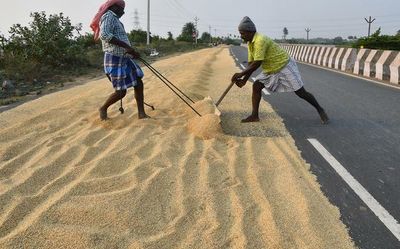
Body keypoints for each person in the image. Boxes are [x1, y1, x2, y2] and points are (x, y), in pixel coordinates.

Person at [231, 16, 329, 124]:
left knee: (300, 92)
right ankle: (254, 116)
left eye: (243, 33)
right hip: (271, 68)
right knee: (257, 86)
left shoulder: (260, 40)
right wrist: (244, 79)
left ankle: (320, 109)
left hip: (284, 65)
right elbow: (251, 63)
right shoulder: (250, 43)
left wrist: (241, 74)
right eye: (240, 33)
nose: (241, 36)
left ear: (250, 32)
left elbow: (257, 63)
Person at [90, 0, 149, 120]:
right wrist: (127, 47)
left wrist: (132, 52)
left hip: (124, 58)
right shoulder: (108, 16)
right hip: (114, 58)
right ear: (114, 7)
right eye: (122, 8)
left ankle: (141, 114)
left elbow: (119, 39)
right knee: (121, 92)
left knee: (138, 82)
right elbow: (105, 35)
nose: (123, 11)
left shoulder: (116, 20)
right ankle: (103, 108)